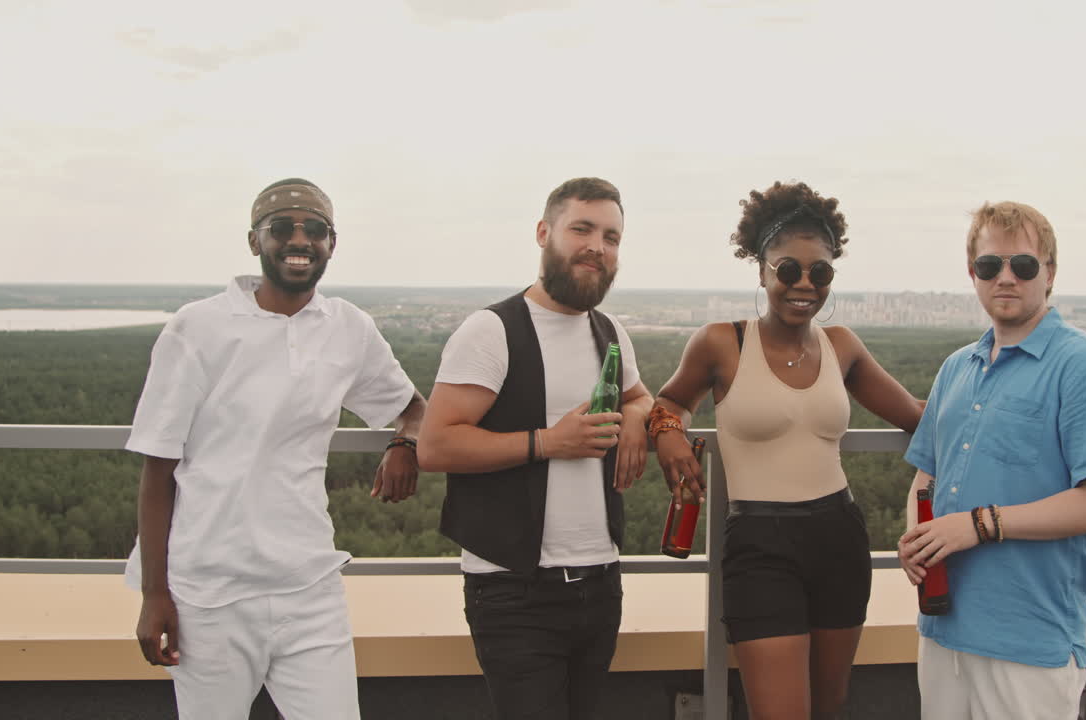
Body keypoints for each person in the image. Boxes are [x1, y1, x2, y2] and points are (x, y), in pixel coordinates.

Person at [127, 178, 426, 720]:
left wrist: (404, 443)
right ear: (253, 240)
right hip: (209, 593)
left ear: (332, 244)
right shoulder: (198, 328)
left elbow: (414, 407)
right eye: (281, 228)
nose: (300, 239)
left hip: (309, 585)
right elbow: (157, 469)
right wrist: (155, 594)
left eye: (316, 230)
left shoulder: (348, 329)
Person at [648, 181, 924, 720]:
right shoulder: (721, 342)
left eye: (819, 272)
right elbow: (671, 401)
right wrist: (667, 433)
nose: (804, 284)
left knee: (828, 707)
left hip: (839, 536)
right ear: (761, 271)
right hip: (758, 546)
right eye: (787, 270)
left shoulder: (841, 345)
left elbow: (918, 417)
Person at [417, 177, 652, 720]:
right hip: (512, 589)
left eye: (612, 236)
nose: (598, 246)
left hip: (600, 581)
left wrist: (640, 418)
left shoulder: (609, 331)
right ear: (545, 233)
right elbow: (435, 444)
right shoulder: (491, 330)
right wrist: (548, 442)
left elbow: (641, 397)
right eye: (582, 229)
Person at [897, 201, 1086, 720]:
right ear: (972, 274)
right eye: (990, 265)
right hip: (942, 629)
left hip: (1029, 643)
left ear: (1049, 273)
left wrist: (979, 525)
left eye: (1023, 265)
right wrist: (917, 537)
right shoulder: (957, 368)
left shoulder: (1085, 366)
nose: (1006, 277)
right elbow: (927, 474)